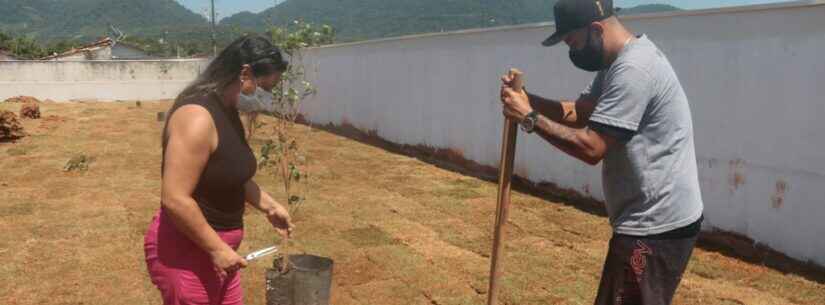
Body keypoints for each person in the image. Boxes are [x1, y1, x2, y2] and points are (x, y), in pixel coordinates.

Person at [499, 0, 704, 304]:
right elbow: (580, 112)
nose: (572, 52)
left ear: (596, 29)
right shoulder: (616, 63)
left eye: (572, 42)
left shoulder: (634, 69)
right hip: (651, 219)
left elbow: (592, 147)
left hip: (655, 227)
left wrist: (529, 118)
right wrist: (529, 101)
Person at [144, 35, 294, 305]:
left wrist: (270, 206)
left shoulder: (227, 111)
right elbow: (175, 198)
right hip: (187, 252)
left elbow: (233, 174)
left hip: (221, 251)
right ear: (245, 73)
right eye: (263, 87)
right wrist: (216, 248)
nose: (264, 96)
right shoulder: (197, 117)